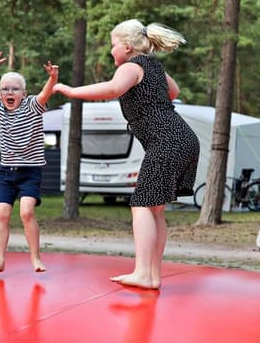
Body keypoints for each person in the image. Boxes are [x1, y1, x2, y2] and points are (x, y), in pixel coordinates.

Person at [53, 19, 199, 290]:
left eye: (113, 45)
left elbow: (112, 89)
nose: (111, 51)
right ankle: (152, 275)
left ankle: (144, 273)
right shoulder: (154, 66)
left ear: (127, 47)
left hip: (166, 141)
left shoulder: (131, 67)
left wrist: (71, 91)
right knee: (154, 209)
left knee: (141, 204)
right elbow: (174, 91)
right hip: (183, 138)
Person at [0, 52, 59, 273]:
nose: (9, 92)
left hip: (30, 172)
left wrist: (52, 78)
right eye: (5, 89)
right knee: (2, 214)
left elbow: (45, 93)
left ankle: (36, 258)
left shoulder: (33, 105)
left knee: (26, 213)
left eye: (15, 89)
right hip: (6, 172)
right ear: (0, 94)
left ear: (24, 93)